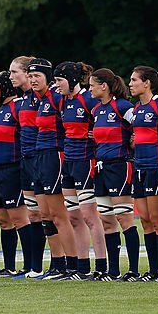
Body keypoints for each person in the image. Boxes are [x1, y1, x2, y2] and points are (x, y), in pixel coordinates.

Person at [56, 61, 106, 279]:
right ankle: (81, 267)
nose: (56, 85)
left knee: (89, 216)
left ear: (73, 80)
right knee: (73, 217)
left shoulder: (88, 100)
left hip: (86, 161)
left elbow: (106, 124)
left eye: (60, 80)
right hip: (69, 162)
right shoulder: (63, 102)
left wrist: (98, 135)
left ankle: (102, 266)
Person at [32, 58, 82, 280]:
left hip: (55, 154)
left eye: (37, 76)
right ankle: (57, 263)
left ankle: (72, 265)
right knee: (45, 215)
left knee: (58, 214)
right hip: (40, 155)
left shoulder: (56, 97)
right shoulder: (41, 99)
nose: (33, 80)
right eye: (30, 76)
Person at [88, 68, 140, 280]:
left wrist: (134, 139)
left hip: (119, 166)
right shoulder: (96, 110)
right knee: (107, 220)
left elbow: (143, 125)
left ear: (104, 86)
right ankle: (113, 270)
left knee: (123, 218)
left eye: (92, 84)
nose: (89, 88)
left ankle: (134, 270)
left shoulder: (123, 106)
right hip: (101, 168)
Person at [128, 65, 158, 281]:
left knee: (157, 219)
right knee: (145, 220)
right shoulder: (136, 108)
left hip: (156, 167)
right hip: (139, 167)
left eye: (134, 80)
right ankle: (152, 269)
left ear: (146, 83)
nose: (130, 84)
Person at [0, 71, 30, 277]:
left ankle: (31, 266)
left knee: (20, 219)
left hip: (11, 169)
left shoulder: (18, 106)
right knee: (4, 221)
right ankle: (10, 266)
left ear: (4, 88)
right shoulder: (2, 109)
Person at [10, 56, 48, 278]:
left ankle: (61, 264)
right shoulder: (22, 100)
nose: (11, 76)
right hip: (26, 161)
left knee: (48, 214)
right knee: (33, 215)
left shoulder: (41, 98)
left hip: (41, 160)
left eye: (15, 72)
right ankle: (34, 266)